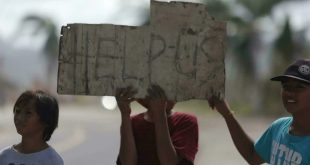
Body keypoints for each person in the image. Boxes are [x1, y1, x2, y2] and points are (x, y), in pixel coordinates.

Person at [209, 59, 310, 165]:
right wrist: (226, 114)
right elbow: (252, 155)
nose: (289, 93)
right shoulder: (279, 127)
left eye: (299, 87)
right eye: (286, 87)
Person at [116, 84, 198, 165]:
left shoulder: (186, 121)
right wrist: (125, 114)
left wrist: (159, 114)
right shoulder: (132, 122)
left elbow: (169, 162)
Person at [0, 90, 64, 165]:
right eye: (17, 111)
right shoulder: (4, 156)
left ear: (45, 121)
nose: (19, 118)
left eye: (28, 113)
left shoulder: (52, 160)